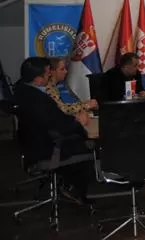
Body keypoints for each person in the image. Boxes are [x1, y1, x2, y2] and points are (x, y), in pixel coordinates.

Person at [12, 57, 93, 204]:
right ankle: (73, 189)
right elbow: (62, 127)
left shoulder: (21, 91)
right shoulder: (40, 100)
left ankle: (66, 183)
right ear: (38, 79)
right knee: (90, 146)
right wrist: (78, 122)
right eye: (48, 73)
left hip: (33, 144)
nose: (50, 75)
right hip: (49, 148)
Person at [47, 57, 97, 122]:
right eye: (62, 69)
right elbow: (62, 109)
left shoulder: (54, 85)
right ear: (51, 72)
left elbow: (62, 106)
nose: (66, 71)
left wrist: (84, 104)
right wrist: (86, 106)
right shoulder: (48, 87)